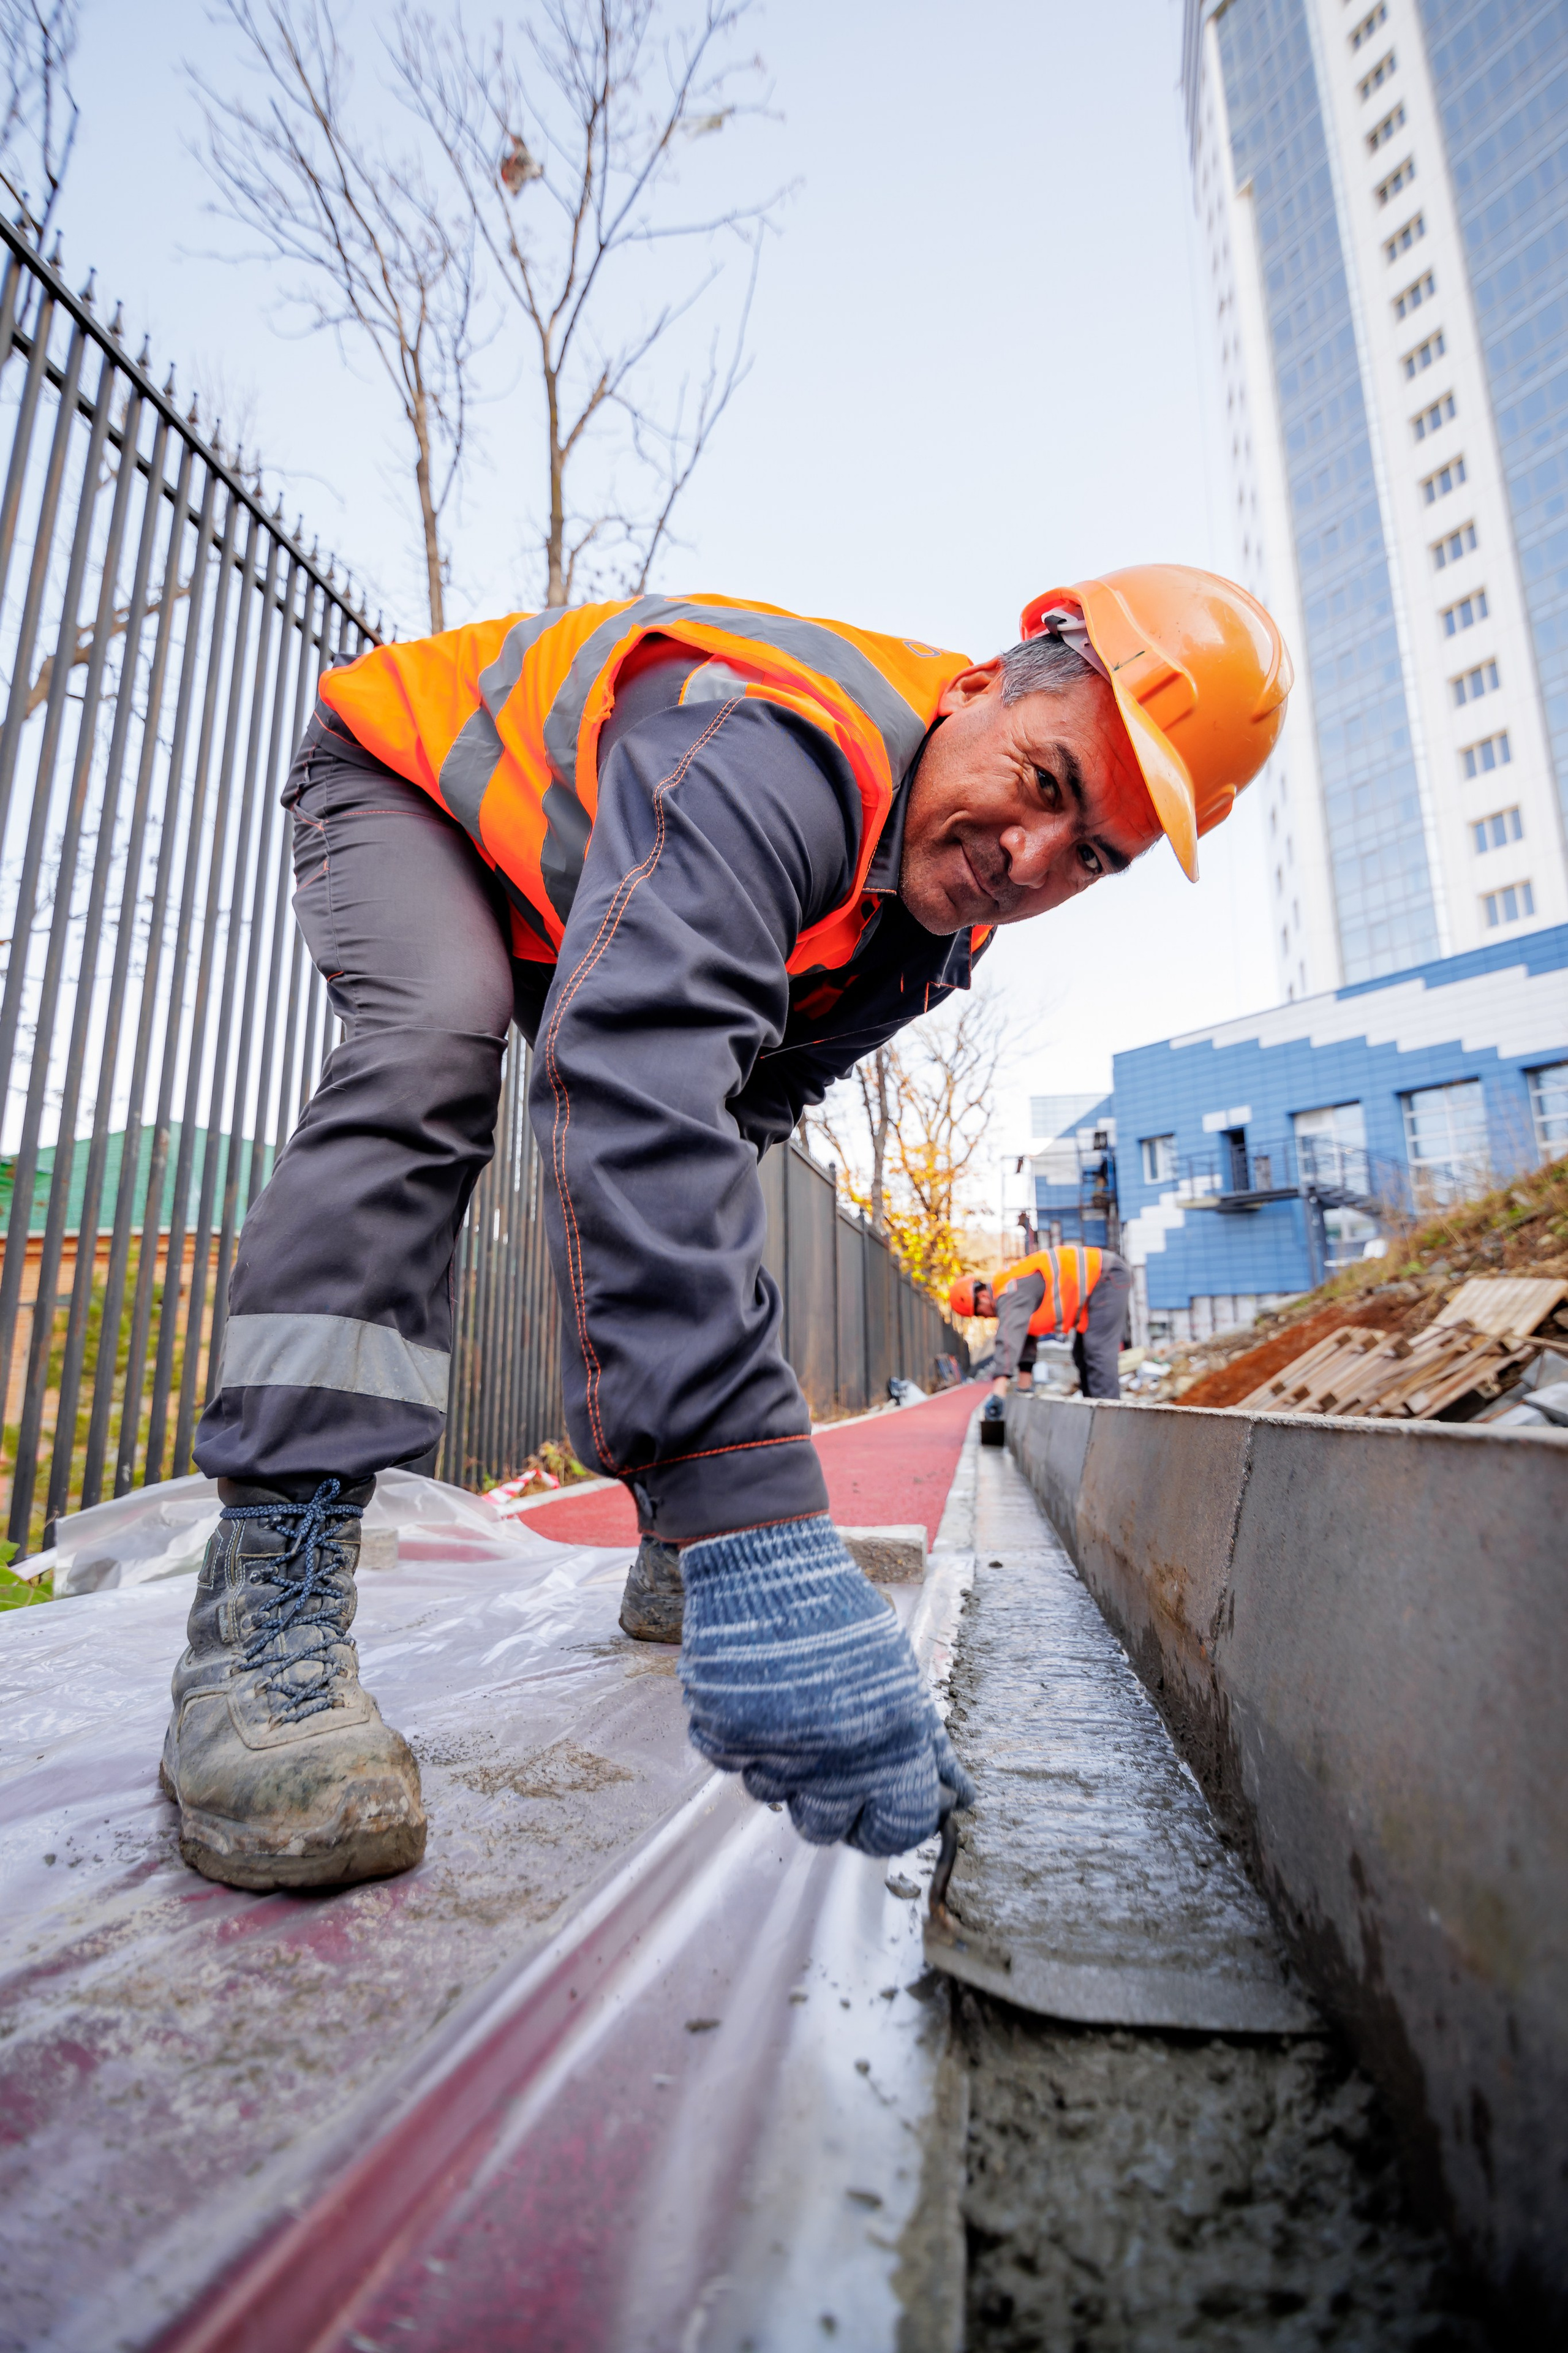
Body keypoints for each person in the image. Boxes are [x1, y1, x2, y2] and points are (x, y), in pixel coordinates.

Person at [161, 568, 1291, 1890]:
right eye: (1046, 784)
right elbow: (633, 1073)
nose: (1030, 863)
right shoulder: (776, 748)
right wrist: (761, 1519)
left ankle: (674, 1541)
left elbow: (722, 1113)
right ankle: (264, 1606)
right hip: (413, 790)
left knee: (705, 1151)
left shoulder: (930, 932)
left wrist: (712, 1512)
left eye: (1088, 856)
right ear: (978, 690)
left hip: (571, 876)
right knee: (433, 1051)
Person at [949, 1245, 1133, 1410]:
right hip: (1098, 1285)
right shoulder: (1009, 1289)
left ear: (982, 1298)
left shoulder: (1009, 1290)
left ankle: (1110, 1418)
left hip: (1107, 1276)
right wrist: (1024, 1387)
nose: (986, 1317)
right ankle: (1095, 1414)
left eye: (980, 1313)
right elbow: (1025, 1336)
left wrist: (998, 1391)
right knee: (1082, 1355)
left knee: (1098, 1352)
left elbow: (1008, 1336)